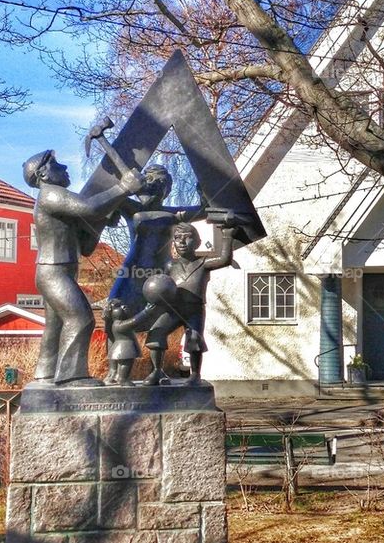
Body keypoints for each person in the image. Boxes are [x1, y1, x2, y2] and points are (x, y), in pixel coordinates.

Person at [23, 149, 144, 385]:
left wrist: (101, 221)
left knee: (56, 325)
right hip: (54, 272)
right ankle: (72, 377)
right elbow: (89, 207)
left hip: (58, 270)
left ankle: (46, 373)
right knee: (81, 319)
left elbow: (86, 246)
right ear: (43, 174)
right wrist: (124, 188)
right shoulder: (51, 195)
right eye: (56, 164)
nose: (65, 168)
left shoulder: (58, 205)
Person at [128, 217, 242, 384]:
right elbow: (159, 281)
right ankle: (157, 371)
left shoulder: (203, 262)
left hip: (194, 309)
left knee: (194, 339)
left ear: (197, 242)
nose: (181, 241)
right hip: (173, 308)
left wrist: (227, 234)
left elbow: (224, 259)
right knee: (157, 332)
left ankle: (195, 375)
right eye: (177, 237)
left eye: (187, 237)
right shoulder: (170, 265)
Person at [102, 164, 203, 347]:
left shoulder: (173, 214)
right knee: (114, 313)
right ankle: (116, 370)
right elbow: (110, 197)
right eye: (150, 180)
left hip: (162, 275)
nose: (155, 185)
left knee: (166, 320)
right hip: (132, 272)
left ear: (168, 189)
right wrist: (112, 211)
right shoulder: (131, 207)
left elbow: (204, 210)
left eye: (161, 182)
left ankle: (158, 370)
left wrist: (205, 191)